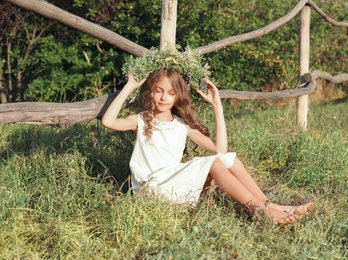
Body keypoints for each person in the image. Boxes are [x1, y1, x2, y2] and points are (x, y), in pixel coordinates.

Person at [101, 68, 312, 225]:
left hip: (173, 182)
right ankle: (258, 209)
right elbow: (108, 121)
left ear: (178, 96)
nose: (164, 97)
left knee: (229, 159)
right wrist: (129, 86)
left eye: (171, 93)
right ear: (150, 93)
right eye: (158, 91)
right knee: (214, 164)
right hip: (152, 187)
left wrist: (216, 105)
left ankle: (270, 205)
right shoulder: (141, 120)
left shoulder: (182, 126)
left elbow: (221, 150)